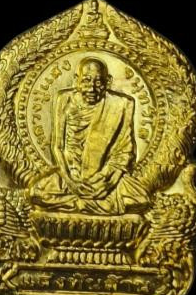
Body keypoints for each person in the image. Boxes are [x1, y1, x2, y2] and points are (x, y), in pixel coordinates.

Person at [30, 57, 149, 214]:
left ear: (108, 81)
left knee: (140, 199)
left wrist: (108, 182)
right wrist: (71, 182)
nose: (92, 88)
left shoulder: (121, 104)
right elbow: (57, 147)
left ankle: (79, 204)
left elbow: (125, 151)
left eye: (98, 82)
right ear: (76, 80)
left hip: (105, 177)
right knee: (37, 194)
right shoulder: (64, 100)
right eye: (86, 81)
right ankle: (97, 205)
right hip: (70, 175)